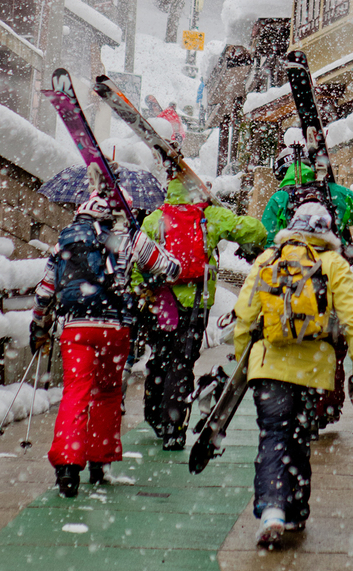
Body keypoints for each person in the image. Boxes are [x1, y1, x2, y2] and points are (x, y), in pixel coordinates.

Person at [234, 201, 353, 547]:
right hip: (314, 371)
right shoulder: (333, 264)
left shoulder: (269, 260)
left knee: (273, 434)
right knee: (298, 435)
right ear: (326, 231)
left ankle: (271, 508)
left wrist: (243, 363)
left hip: (269, 366)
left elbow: (244, 315)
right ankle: (295, 512)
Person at [30, 179, 181, 498]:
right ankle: (100, 461)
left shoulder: (67, 238)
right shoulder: (129, 235)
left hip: (76, 329)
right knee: (108, 392)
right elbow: (169, 268)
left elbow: (45, 289)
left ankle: (68, 467)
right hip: (115, 328)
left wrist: (38, 321)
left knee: (76, 391)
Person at [137, 177, 266, 450]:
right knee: (182, 363)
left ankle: (155, 416)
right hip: (196, 302)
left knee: (160, 356)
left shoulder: (154, 220)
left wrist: (142, 290)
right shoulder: (210, 217)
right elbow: (255, 232)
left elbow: (137, 264)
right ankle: (175, 429)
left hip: (161, 303)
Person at [262, 145, 353, 428]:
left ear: (281, 172)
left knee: (290, 337)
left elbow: (264, 239)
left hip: (291, 286)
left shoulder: (279, 198)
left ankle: (292, 404)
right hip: (331, 281)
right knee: (333, 345)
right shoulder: (335, 193)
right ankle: (326, 407)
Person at [262, 146, 353, 249]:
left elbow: (267, 241)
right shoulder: (335, 191)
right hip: (334, 262)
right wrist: (341, 218)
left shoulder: (279, 198)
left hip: (295, 264)